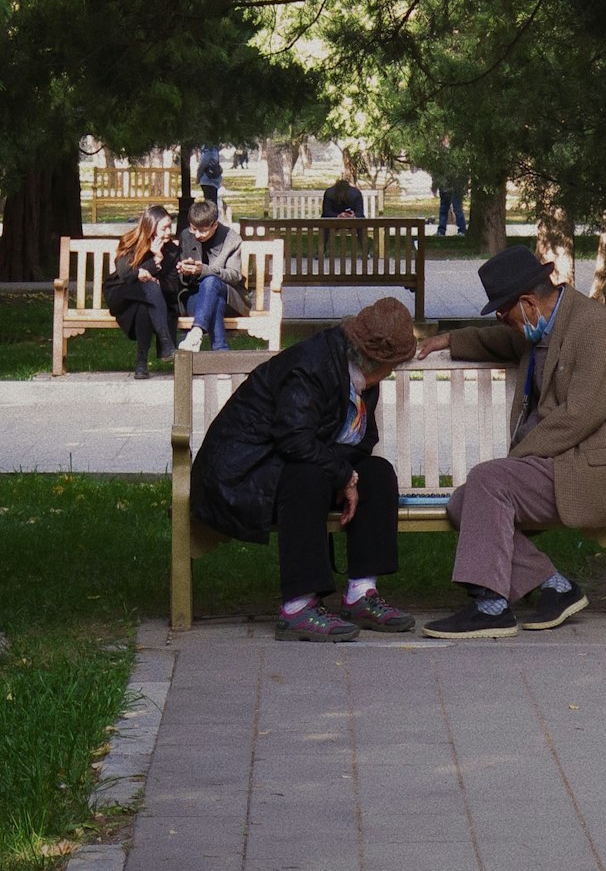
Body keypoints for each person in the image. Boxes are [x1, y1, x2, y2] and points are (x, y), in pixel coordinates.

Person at [417, 245, 606, 640]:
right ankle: (555, 585)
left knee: (488, 481)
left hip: (585, 469)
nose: (506, 323)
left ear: (527, 303)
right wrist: (446, 340)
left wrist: (517, 458)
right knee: (462, 502)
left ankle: (492, 606)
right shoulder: (540, 327)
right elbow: (493, 342)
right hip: (552, 465)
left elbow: (580, 415)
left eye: (504, 314)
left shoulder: (593, 326)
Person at [191, 297, 418, 642]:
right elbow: (293, 439)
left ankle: (361, 594)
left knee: (378, 473)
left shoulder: (360, 373)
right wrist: (341, 474)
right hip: (243, 475)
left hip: (287, 459)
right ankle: (298, 607)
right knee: (309, 476)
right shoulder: (312, 366)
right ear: (372, 359)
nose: (391, 373)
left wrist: (349, 474)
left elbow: (362, 437)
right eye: (391, 367)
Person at [104, 205, 181, 379]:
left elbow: (171, 285)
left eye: (170, 227)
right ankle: (166, 342)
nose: (169, 232)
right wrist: (155, 261)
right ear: (150, 227)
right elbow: (125, 275)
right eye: (164, 228)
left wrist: (154, 267)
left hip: (151, 300)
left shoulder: (172, 251)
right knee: (148, 289)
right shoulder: (130, 241)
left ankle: (141, 364)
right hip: (122, 294)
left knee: (145, 303)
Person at [176, 200, 249, 353]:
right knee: (214, 301)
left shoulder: (231, 238)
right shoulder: (186, 236)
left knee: (211, 282)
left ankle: (196, 332)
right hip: (195, 297)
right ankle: (221, 354)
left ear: (214, 225)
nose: (197, 234)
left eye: (202, 231)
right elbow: (183, 281)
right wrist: (184, 270)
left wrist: (204, 270)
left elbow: (234, 276)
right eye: (193, 228)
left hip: (231, 298)